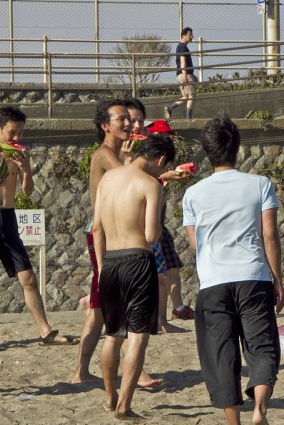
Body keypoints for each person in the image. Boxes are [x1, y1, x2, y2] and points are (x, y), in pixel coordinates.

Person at [183, 115, 284, 425]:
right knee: (262, 345)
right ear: (237, 148)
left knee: (221, 353)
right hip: (253, 276)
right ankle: (260, 410)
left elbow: (195, 244)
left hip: (214, 282)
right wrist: (276, 279)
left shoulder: (193, 194)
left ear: (206, 151)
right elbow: (269, 235)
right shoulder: (260, 184)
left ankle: (234, 422)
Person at [0, 106, 76, 350]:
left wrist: (25, 169)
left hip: (9, 217)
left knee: (28, 277)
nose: (17, 138)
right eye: (12, 133)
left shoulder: (18, 154)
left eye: (21, 133)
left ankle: (45, 331)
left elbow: (27, 191)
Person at [73, 99, 162, 387]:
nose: (130, 124)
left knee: (100, 310)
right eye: (122, 119)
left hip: (111, 237)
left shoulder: (118, 153)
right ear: (105, 126)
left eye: (132, 119)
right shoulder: (104, 154)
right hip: (104, 237)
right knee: (115, 309)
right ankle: (136, 373)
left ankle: (81, 371)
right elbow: (129, 179)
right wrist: (158, 172)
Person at [93, 134, 175, 420]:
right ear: (161, 159)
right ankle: (124, 407)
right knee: (138, 337)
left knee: (112, 335)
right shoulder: (151, 185)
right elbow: (152, 235)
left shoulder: (108, 179)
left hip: (110, 262)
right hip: (138, 261)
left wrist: (102, 266)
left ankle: (109, 397)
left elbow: (96, 228)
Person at [146, 119, 195, 323]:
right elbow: (150, 184)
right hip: (150, 226)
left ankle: (178, 307)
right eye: (164, 136)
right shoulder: (148, 161)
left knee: (172, 266)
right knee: (159, 276)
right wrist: (167, 177)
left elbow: (160, 194)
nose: (169, 140)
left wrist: (171, 180)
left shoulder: (161, 164)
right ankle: (159, 318)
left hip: (160, 223)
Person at [165, 27, 197, 120]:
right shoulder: (182, 47)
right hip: (185, 74)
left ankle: (170, 108)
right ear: (183, 35)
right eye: (189, 35)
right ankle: (188, 117)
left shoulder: (181, 47)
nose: (192, 36)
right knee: (191, 96)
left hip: (183, 74)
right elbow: (182, 61)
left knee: (186, 96)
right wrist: (185, 75)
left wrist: (193, 75)